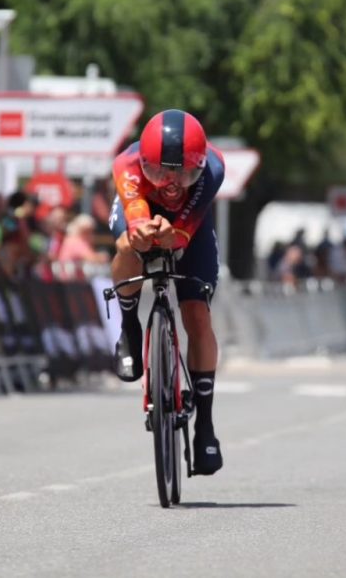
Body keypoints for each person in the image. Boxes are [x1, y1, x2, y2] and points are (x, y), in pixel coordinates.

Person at [109, 109, 226, 475]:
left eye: (183, 173)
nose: (171, 183)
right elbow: (137, 212)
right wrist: (142, 228)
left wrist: (170, 233)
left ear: (199, 166)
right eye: (159, 172)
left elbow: (182, 233)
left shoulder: (213, 170)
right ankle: (129, 328)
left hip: (189, 222)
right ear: (144, 163)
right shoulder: (126, 165)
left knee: (197, 315)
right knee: (129, 246)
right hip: (143, 210)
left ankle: (204, 424)